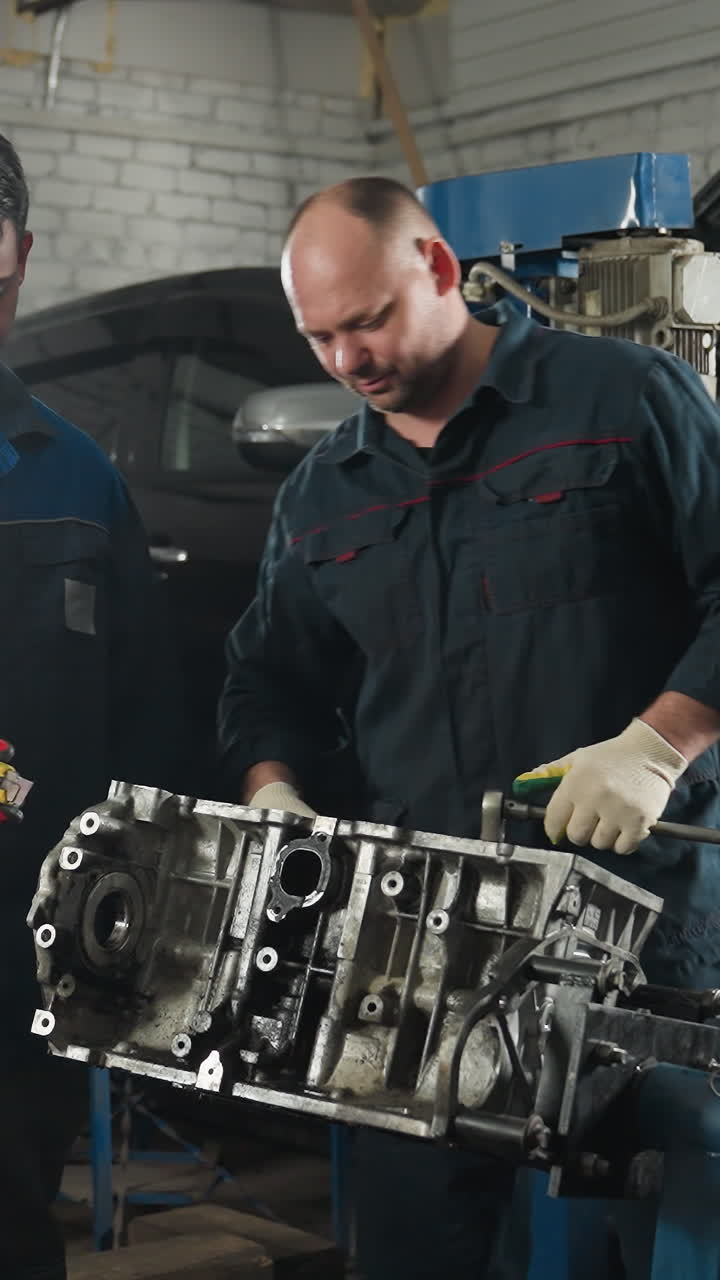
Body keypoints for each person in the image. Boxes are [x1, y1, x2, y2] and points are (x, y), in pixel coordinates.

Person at [219, 175, 720, 1278]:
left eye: (370, 320)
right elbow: (270, 683)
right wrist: (274, 790)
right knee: (411, 1246)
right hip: (421, 952)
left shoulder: (627, 399)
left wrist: (659, 743)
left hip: (642, 934)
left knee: (661, 1240)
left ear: (440, 270)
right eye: (321, 337)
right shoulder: (324, 494)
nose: (349, 358)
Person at [0, 133, 180, 1279]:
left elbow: (144, 721)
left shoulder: (77, 479)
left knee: (15, 1222)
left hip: (20, 963)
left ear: (19, 256)